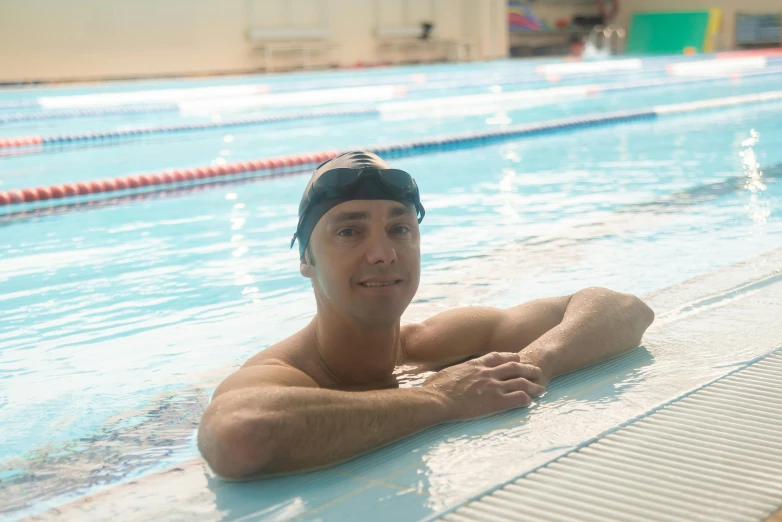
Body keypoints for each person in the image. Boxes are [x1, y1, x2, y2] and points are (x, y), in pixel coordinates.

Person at [198, 151, 655, 479]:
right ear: (306, 260)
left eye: (399, 229)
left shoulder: (436, 342)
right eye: (350, 231)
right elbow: (242, 435)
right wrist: (440, 399)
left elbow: (621, 307)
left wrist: (530, 364)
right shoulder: (282, 375)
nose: (382, 254)